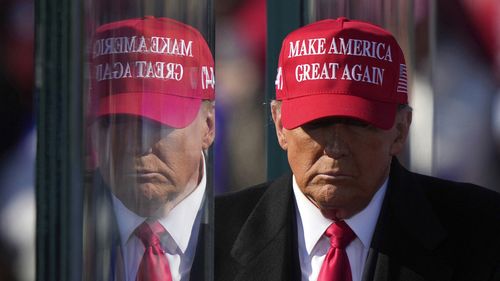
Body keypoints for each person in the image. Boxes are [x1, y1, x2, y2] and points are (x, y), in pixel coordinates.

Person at [215, 17, 500, 281]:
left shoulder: (483, 232)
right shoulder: (209, 237)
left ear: (400, 129)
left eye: (358, 124)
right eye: (316, 123)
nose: (336, 148)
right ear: (280, 125)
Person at [84, 17, 215, 281]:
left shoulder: (263, 230)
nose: (139, 145)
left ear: (208, 126)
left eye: (158, 123)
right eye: (119, 122)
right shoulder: (57, 235)